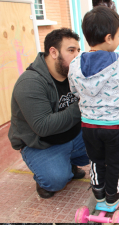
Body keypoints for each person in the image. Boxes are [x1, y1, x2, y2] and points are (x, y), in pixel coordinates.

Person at [68, 6, 119, 206]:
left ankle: (99, 191)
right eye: (118, 35)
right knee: (116, 161)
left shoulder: (75, 63)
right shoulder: (118, 63)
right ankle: (113, 193)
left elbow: (74, 90)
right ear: (108, 38)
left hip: (89, 125)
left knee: (96, 159)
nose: (118, 40)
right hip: (115, 126)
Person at [8, 28, 90, 199]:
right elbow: (43, 127)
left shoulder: (72, 73)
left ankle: (70, 162)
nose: (77, 56)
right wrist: (82, 105)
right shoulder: (30, 83)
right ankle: (45, 176)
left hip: (72, 134)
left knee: (106, 140)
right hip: (43, 143)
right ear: (53, 52)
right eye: (71, 50)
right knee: (56, 181)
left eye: (78, 50)